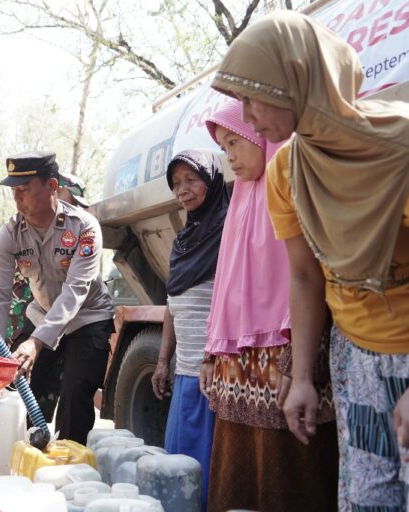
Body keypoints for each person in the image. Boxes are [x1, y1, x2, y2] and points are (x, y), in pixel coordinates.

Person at [210, 11, 409, 509]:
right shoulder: (287, 171)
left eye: (253, 96)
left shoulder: (400, 149)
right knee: (368, 499)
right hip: (354, 356)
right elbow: (304, 276)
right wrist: (301, 377)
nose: (247, 116)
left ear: (296, 80)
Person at [198, 98, 338, 512]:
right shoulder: (240, 202)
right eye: (223, 148)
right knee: (237, 471)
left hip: (287, 358)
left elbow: (308, 276)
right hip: (237, 366)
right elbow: (225, 286)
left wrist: (297, 362)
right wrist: (211, 353)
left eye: (234, 143)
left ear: (259, 136)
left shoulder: (291, 183)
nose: (230, 158)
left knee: (288, 470)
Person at [0, 151, 114, 444]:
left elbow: (75, 292)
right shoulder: (10, 234)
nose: (16, 198)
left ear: (52, 186)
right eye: (13, 191)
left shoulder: (84, 227)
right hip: (42, 314)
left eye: (24, 189)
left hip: (87, 318)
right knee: (26, 388)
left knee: (74, 393)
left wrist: (36, 342)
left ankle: (71, 460)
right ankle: (30, 455)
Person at [151, 149, 229, 510]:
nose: (182, 189)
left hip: (215, 373)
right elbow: (173, 302)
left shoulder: (230, 230)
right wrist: (162, 361)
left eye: (191, 180)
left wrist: (213, 358)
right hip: (185, 374)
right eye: (176, 182)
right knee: (178, 467)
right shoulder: (183, 240)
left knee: (208, 472)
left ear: (211, 181)